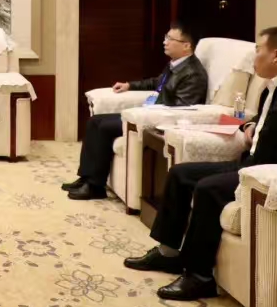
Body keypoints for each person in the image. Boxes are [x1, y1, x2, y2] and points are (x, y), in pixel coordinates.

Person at [124, 26, 277, 301]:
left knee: (208, 189)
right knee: (180, 174)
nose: (254, 56)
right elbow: (266, 118)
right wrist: (250, 125)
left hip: (275, 172)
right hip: (255, 163)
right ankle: (169, 253)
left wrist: (258, 132)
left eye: (258, 50)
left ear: (276, 55)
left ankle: (199, 277)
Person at [64, 22, 208, 200]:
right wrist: (129, 85)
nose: (165, 42)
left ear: (186, 46)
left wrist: (151, 110)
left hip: (157, 120)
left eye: (170, 39)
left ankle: (95, 186)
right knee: (95, 121)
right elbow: (157, 82)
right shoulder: (176, 65)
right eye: (166, 37)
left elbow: (182, 109)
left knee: (104, 128)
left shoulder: (193, 73)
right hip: (148, 113)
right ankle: (86, 177)